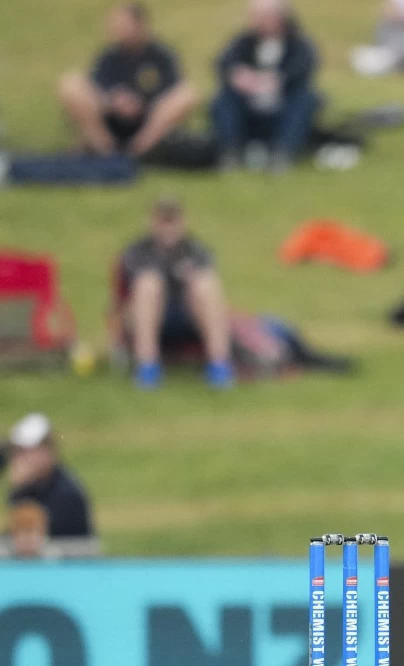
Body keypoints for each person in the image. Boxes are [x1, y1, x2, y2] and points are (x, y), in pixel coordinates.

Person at [112, 199, 234, 389]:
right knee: (148, 284)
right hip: (146, 318)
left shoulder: (197, 251)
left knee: (205, 284)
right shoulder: (136, 252)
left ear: (182, 223)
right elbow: (124, 294)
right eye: (163, 221)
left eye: (172, 222)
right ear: (152, 222)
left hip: (187, 315)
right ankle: (147, 366)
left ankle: (219, 364)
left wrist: (190, 277)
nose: (168, 228)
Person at [56, 3, 198, 159]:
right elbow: (96, 86)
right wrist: (113, 101)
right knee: (71, 83)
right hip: (112, 121)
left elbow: (172, 91)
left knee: (187, 94)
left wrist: (141, 102)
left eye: (123, 24)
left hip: (146, 123)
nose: (117, 29)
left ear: (140, 24)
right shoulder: (109, 56)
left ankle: (138, 151)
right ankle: (106, 150)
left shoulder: (162, 56)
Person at [210, 0, 321, 171]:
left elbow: (303, 68)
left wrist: (277, 79)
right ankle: (230, 151)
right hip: (249, 108)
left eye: (264, 17)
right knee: (224, 98)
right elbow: (224, 62)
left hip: (282, 107)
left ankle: (284, 152)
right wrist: (240, 76)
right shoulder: (244, 41)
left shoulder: (298, 43)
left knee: (304, 98)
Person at [4, 414, 95, 544]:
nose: (19, 459)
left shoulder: (66, 493)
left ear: (47, 451)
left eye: (25, 452)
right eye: (17, 452)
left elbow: (35, 538)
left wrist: (20, 492)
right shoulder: (31, 486)